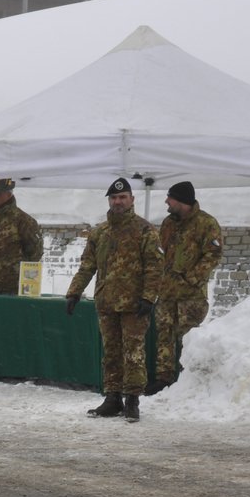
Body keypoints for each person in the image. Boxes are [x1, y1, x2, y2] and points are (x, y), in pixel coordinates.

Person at [65, 176, 164, 423]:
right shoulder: (100, 233)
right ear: (109, 201)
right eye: (114, 198)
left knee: (133, 352)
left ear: (132, 199)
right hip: (107, 303)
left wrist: (149, 297)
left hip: (134, 305)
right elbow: (87, 266)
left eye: (122, 197)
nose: (118, 202)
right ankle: (112, 398)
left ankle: (132, 400)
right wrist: (74, 292)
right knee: (110, 352)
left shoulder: (145, 230)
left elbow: (155, 267)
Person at [149, 181, 223, 396]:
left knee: (187, 338)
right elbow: (160, 252)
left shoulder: (206, 223)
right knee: (164, 336)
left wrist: (191, 279)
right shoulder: (168, 223)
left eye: (170, 198)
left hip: (191, 296)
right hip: (166, 293)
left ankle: (187, 381)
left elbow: (213, 255)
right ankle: (163, 379)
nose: (166, 202)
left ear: (182, 201)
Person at [0, 176, 43, 295]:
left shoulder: (23, 220)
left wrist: (27, 290)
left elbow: (35, 254)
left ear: (9, 194)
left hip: (12, 289)